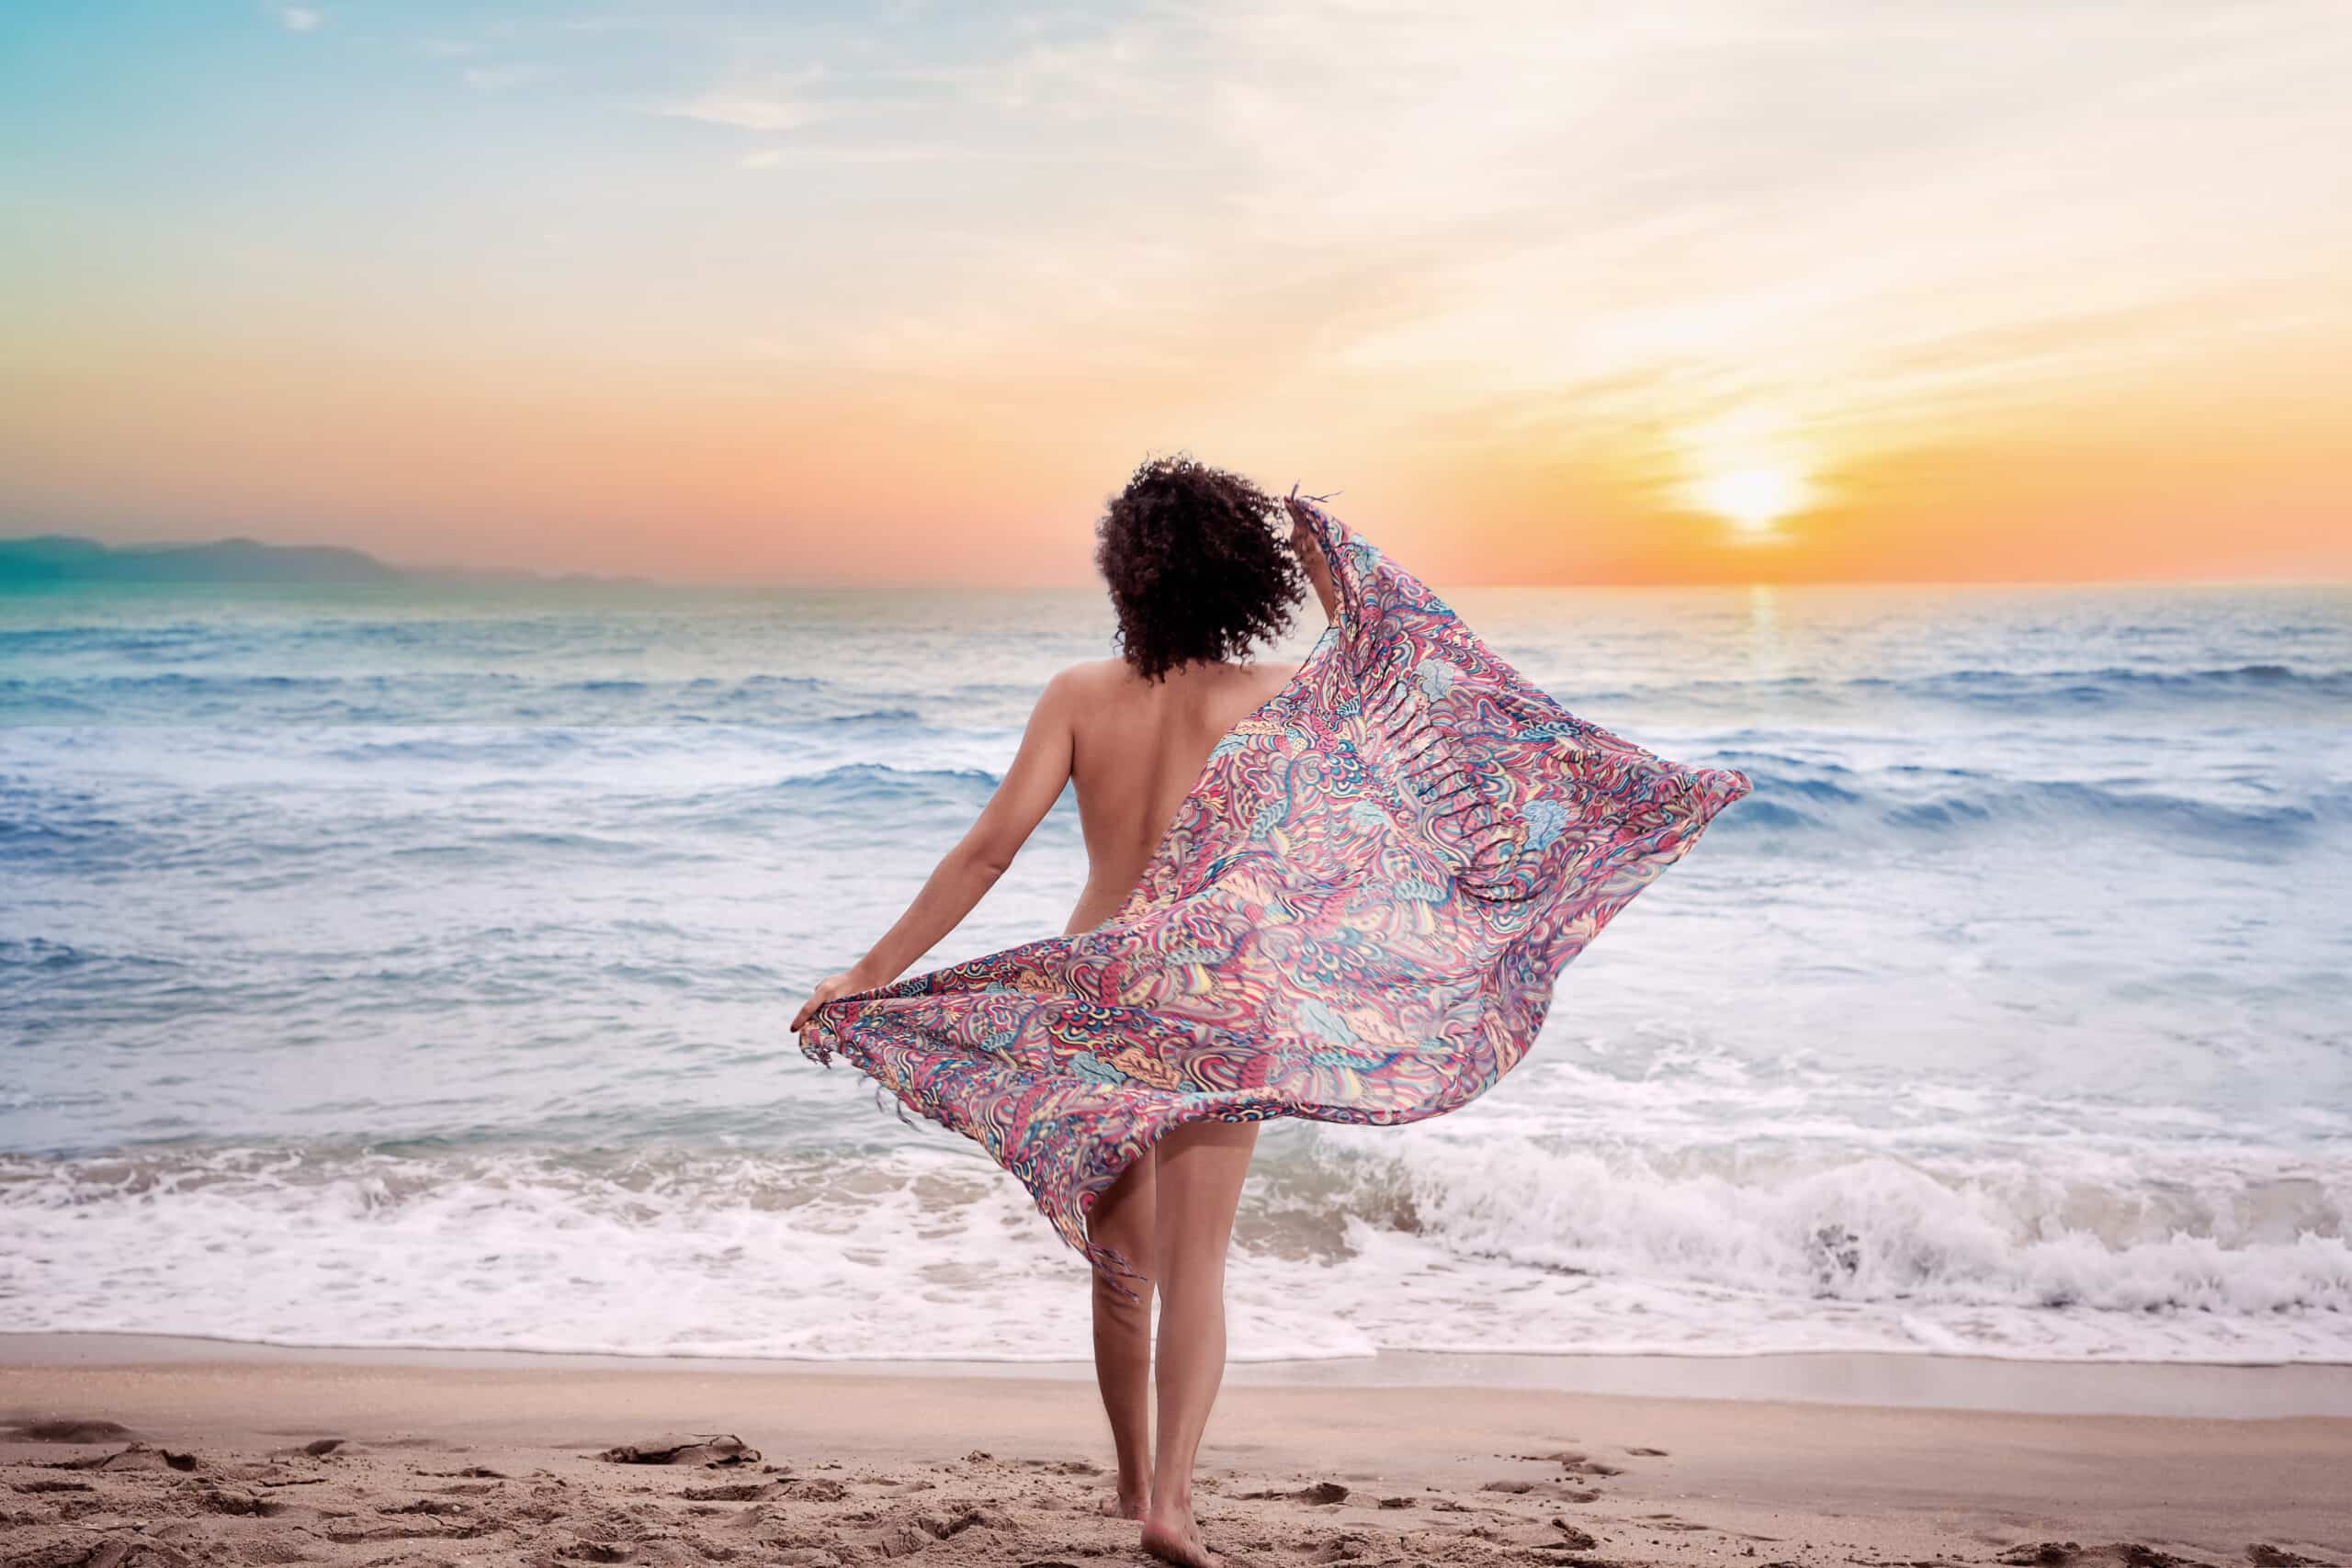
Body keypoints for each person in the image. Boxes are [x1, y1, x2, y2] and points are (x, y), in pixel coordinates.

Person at [790, 454, 1334, 1567]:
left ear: (1125, 573)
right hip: (1219, 996)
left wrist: (869, 971)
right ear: (1244, 575)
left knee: (1120, 1263)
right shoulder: (1275, 697)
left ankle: (1128, 1480)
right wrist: (1324, 554)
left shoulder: (1079, 696)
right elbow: (1388, 664)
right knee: (1199, 1268)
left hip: (1101, 992)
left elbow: (986, 854)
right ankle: (1172, 1501)